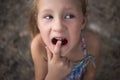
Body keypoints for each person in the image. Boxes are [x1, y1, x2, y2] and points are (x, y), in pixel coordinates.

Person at [29, 0, 100, 80]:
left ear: (82, 21)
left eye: (69, 16)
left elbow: (90, 75)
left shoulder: (92, 43)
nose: (58, 27)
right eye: (48, 17)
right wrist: (53, 76)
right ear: (37, 22)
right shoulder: (39, 47)